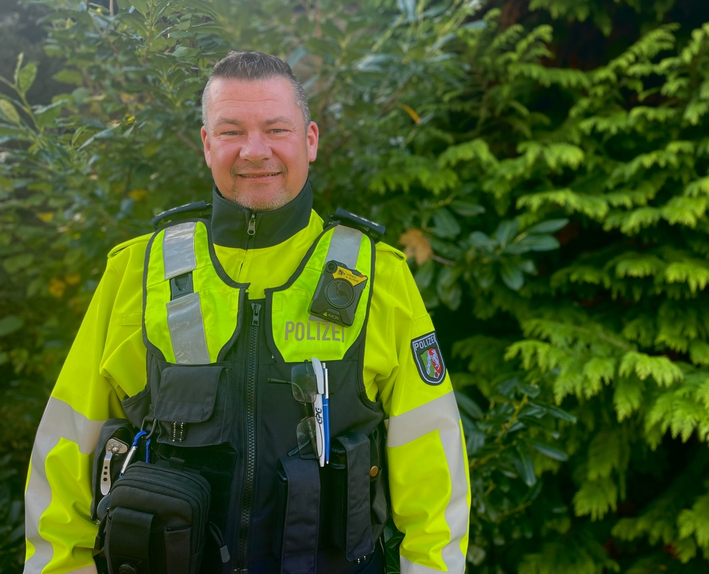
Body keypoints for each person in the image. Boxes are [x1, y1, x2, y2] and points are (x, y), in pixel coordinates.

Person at [24, 51, 470, 574]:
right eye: (231, 130)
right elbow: (64, 459)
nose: (255, 151)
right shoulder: (136, 272)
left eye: (276, 128)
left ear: (310, 140)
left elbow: (433, 475)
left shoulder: (379, 276)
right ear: (207, 144)